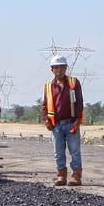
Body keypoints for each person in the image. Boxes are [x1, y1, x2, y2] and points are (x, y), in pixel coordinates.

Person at [44, 55, 84, 186]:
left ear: (66, 68)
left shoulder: (73, 82)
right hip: (56, 125)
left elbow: (79, 103)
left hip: (71, 123)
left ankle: (76, 176)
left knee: (75, 151)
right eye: (56, 68)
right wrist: (46, 120)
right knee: (58, 152)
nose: (59, 70)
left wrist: (78, 121)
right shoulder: (49, 86)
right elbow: (45, 105)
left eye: (62, 67)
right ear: (52, 70)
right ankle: (61, 175)